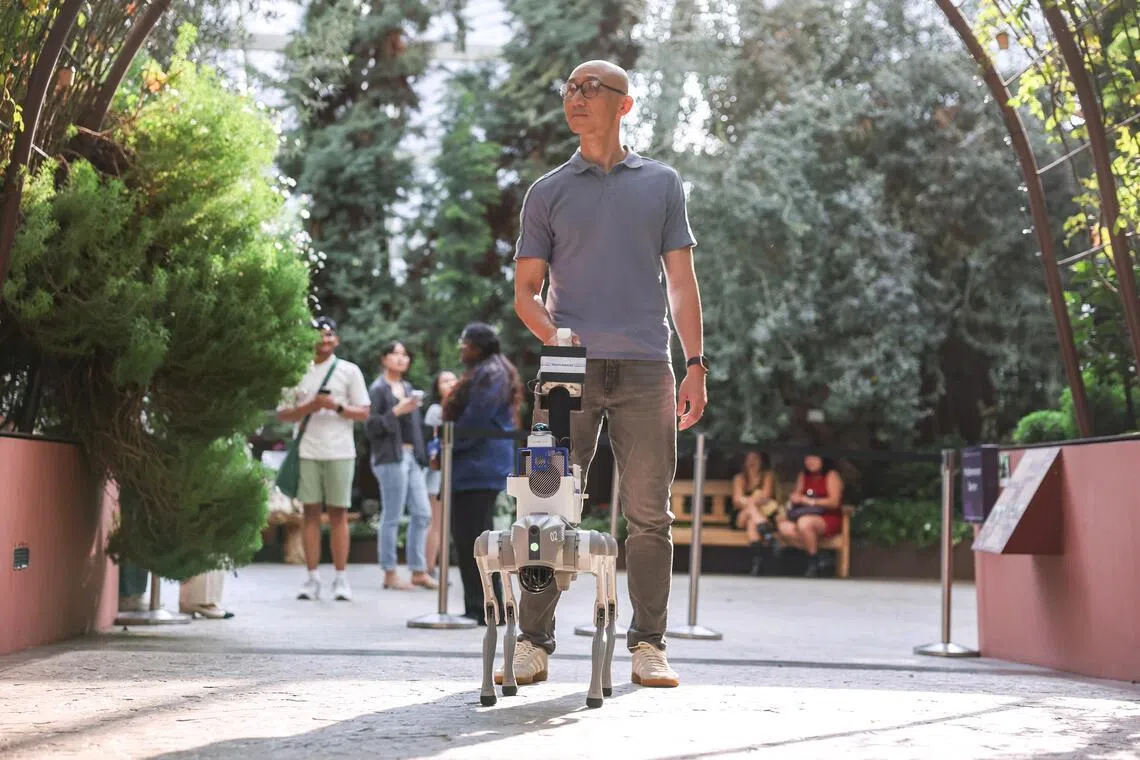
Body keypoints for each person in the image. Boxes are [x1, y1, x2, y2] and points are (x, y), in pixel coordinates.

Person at [504, 59, 707, 689]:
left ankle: (648, 646)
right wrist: (552, 335)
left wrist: (695, 364)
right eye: (569, 88)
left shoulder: (663, 184)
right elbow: (525, 293)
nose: (576, 97)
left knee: (650, 516)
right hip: (567, 369)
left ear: (624, 104)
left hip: (648, 368)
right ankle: (533, 643)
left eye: (590, 88)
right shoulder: (547, 192)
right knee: (545, 505)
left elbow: (681, 283)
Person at [277, 317, 371, 602]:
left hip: (340, 451)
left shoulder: (349, 371)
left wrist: (337, 406)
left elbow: (364, 412)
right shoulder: (298, 370)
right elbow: (283, 413)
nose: (324, 340)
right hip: (308, 450)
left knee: (339, 514)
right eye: (319, 334)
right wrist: (311, 406)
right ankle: (312, 578)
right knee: (310, 514)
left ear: (336, 340)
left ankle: (341, 578)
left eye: (329, 335)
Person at [443, 323, 521, 623]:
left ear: (477, 346)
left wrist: (449, 444)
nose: (461, 348)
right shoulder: (490, 370)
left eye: (464, 343)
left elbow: (477, 419)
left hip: (479, 466)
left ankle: (485, 608)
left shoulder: (492, 373)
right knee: (473, 540)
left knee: (473, 540)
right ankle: (484, 607)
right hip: (476, 466)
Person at [366, 340, 437, 591]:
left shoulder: (408, 388)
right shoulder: (378, 389)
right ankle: (390, 572)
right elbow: (371, 427)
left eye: (405, 355)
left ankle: (418, 571)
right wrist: (396, 411)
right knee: (392, 515)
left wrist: (422, 455)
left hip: (411, 458)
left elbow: (415, 428)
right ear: (384, 358)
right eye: (395, 354)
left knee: (423, 513)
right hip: (390, 458)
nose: (401, 358)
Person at [775, 454, 845, 577]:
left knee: (804, 522)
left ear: (823, 459)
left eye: (814, 458)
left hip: (827, 516)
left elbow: (834, 502)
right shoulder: (803, 475)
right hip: (803, 514)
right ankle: (818, 557)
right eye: (807, 458)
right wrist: (795, 498)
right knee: (784, 527)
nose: (810, 462)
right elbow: (797, 495)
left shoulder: (831, 475)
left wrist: (810, 501)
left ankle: (813, 563)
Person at [423, 370, 458, 578]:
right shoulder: (436, 410)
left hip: (451, 471)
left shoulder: (456, 408)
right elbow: (432, 444)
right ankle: (429, 568)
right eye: (444, 381)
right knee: (436, 521)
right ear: (437, 388)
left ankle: (435, 567)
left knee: (443, 523)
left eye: (453, 379)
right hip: (437, 472)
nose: (450, 383)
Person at [730, 450, 779, 576]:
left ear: (761, 461)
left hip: (762, 514)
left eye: (755, 458)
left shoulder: (767, 476)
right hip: (741, 517)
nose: (752, 462)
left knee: (752, 522)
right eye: (749, 459)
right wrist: (754, 500)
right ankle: (765, 530)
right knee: (751, 511)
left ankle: (756, 562)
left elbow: (766, 497)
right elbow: (737, 500)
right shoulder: (739, 478)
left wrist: (747, 501)